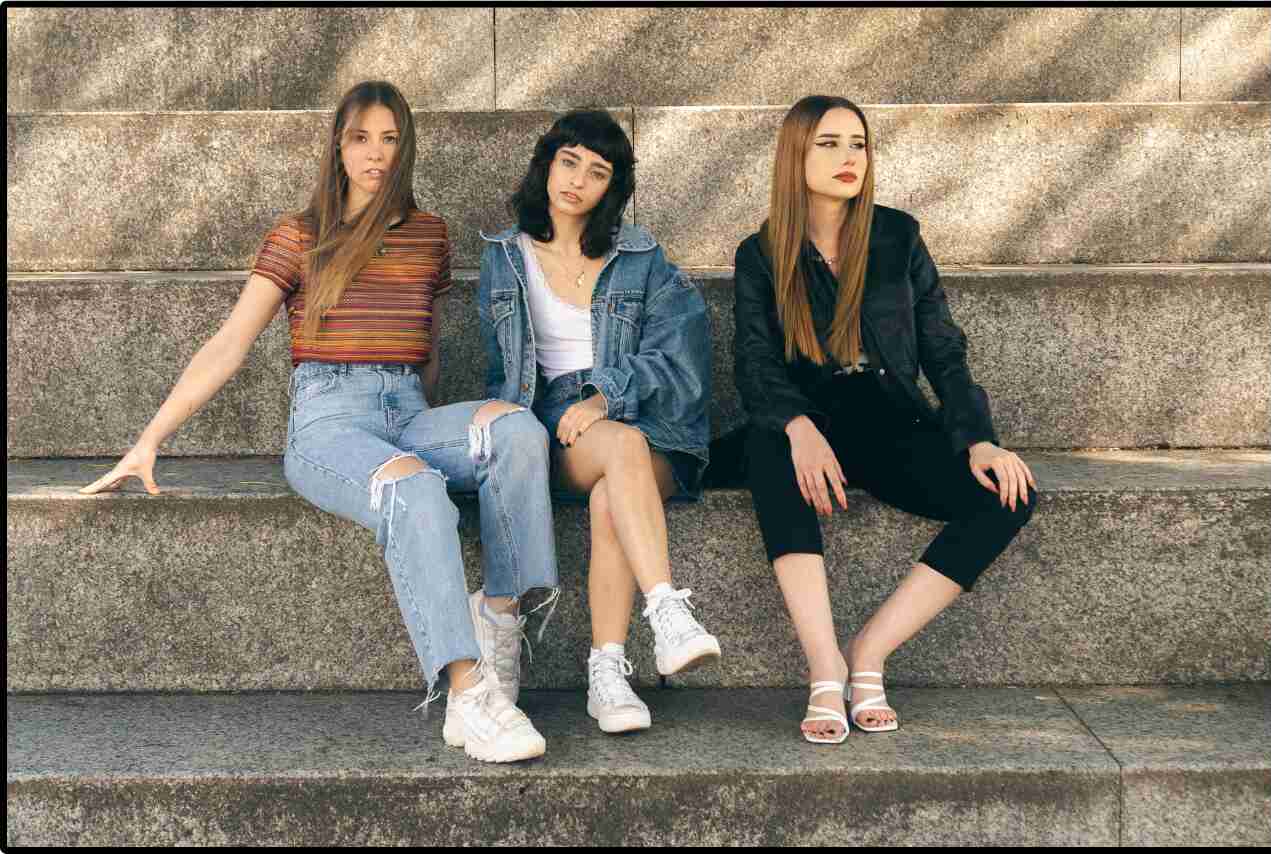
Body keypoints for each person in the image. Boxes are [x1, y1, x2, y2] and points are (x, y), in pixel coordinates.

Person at [79, 80, 559, 764]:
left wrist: (446, 426)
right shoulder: (299, 234)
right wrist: (150, 439)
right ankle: (468, 693)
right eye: (362, 137)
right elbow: (230, 342)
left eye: (391, 139)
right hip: (329, 424)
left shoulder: (430, 235)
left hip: (408, 412)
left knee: (516, 431)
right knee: (415, 489)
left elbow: (423, 353)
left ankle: (500, 623)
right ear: (339, 144)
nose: (376, 153)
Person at [728, 95, 1037, 744]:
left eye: (858, 144)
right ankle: (824, 666)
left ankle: (869, 651)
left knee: (1009, 496)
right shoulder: (760, 254)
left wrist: (978, 438)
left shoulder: (897, 236)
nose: (849, 158)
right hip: (809, 421)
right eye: (829, 144)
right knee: (769, 448)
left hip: (892, 421)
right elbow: (755, 363)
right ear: (796, 156)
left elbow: (943, 348)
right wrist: (798, 425)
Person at [475, 109, 720, 735]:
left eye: (597, 171)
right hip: (550, 425)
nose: (578, 180)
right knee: (615, 454)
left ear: (613, 187)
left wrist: (604, 395)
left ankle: (609, 673)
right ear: (547, 165)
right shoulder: (505, 256)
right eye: (569, 161)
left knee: (618, 478)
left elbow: (680, 357)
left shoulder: (640, 257)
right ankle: (662, 611)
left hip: (645, 421)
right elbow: (499, 365)